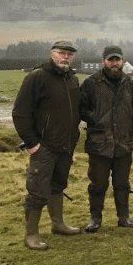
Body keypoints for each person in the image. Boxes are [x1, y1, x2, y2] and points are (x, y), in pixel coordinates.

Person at [12, 39, 82, 250]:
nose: (65, 57)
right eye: (61, 53)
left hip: (65, 145)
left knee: (58, 185)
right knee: (37, 190)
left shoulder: (72, 79)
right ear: (52, 54)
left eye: (69, 54)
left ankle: (57, 223)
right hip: (44, 147)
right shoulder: (37, 77)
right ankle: (31, 234)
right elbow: (20, 113)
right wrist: (33, 144)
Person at [79, 45, 133, 232]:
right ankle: (95, 219)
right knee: (98, 184)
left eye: (117, 60)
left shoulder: (129, 84)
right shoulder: (90, 83)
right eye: (111, 60)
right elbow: (81, 109)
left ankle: (124, 218)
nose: (114, 63)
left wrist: (128, 123)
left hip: (123, 143)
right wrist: (96, 118)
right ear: (103, 61)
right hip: (99, 144)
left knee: (122, 184)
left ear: (122, 61)